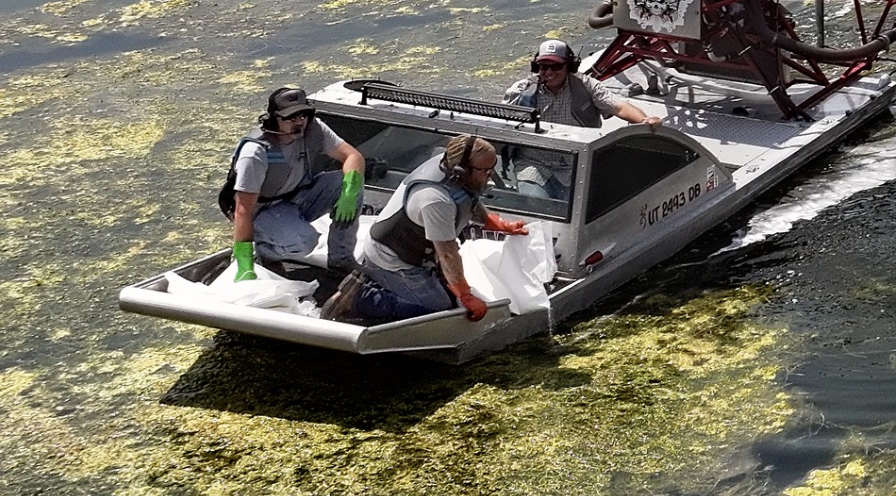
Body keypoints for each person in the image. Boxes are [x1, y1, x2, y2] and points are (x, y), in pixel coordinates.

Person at [347, 133, 527, 324]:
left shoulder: (452, 170)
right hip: (392, 258)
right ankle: (367, 296)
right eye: (486, 171)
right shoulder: (435, 200)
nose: (491, 176)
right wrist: (466, 296)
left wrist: (497, 224)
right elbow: (448, 254)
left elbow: (468, 199)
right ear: (462, 170)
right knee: (436, 307)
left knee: (450, 293)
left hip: (418, 252)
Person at [219, 86, 365, 280]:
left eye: (302, 116)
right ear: (273, 119)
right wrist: (244, 263)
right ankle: (264, 254)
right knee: (305, 242)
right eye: (290, 118)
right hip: (261, 210)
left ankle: (341, 259)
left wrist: (349, 193)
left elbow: (353, 156)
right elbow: (242, 209)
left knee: (347, 181)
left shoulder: (314, 129)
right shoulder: (256, 152)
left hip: (296, 196)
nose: (298, 123)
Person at [504, 37, 648, 126]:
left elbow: (619, 107)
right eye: (544, 67)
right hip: (535, 159)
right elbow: (500, 120)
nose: (549, 72)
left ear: (570, 66)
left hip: (580, 159)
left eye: (556, 66)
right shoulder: (522, 90)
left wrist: (645, 120)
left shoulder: (586, 86)